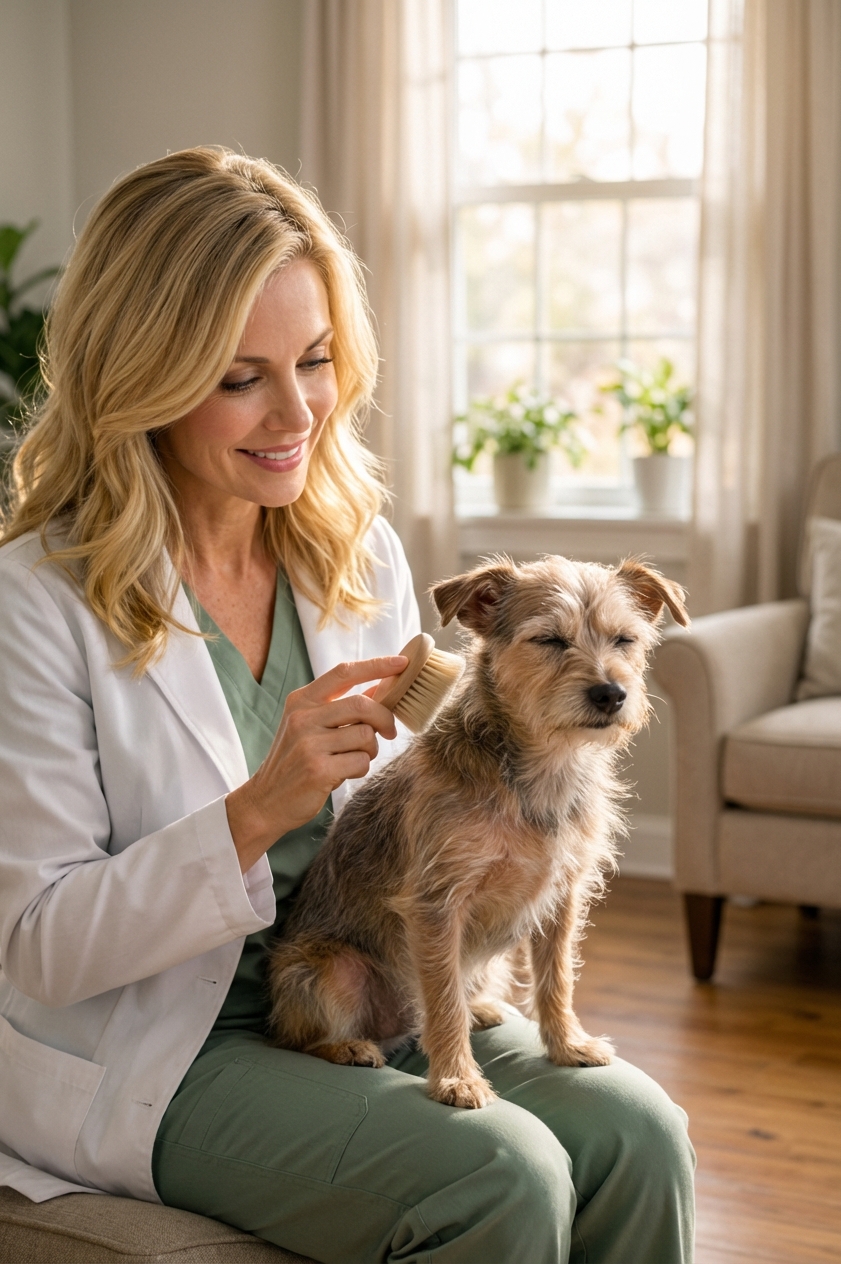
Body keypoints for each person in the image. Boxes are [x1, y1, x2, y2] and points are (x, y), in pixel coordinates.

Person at [0, 147, 695, 1263]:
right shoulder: (37, 601)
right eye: (240, 377)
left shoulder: (350, 548)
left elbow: (419, 810)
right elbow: (37, 948)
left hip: (382, 974)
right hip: (166, 1044)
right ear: (141, 376)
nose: (297, 413)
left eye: (315, 360)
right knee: (496, 1177)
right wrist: (257, 806)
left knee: (639, 1135)